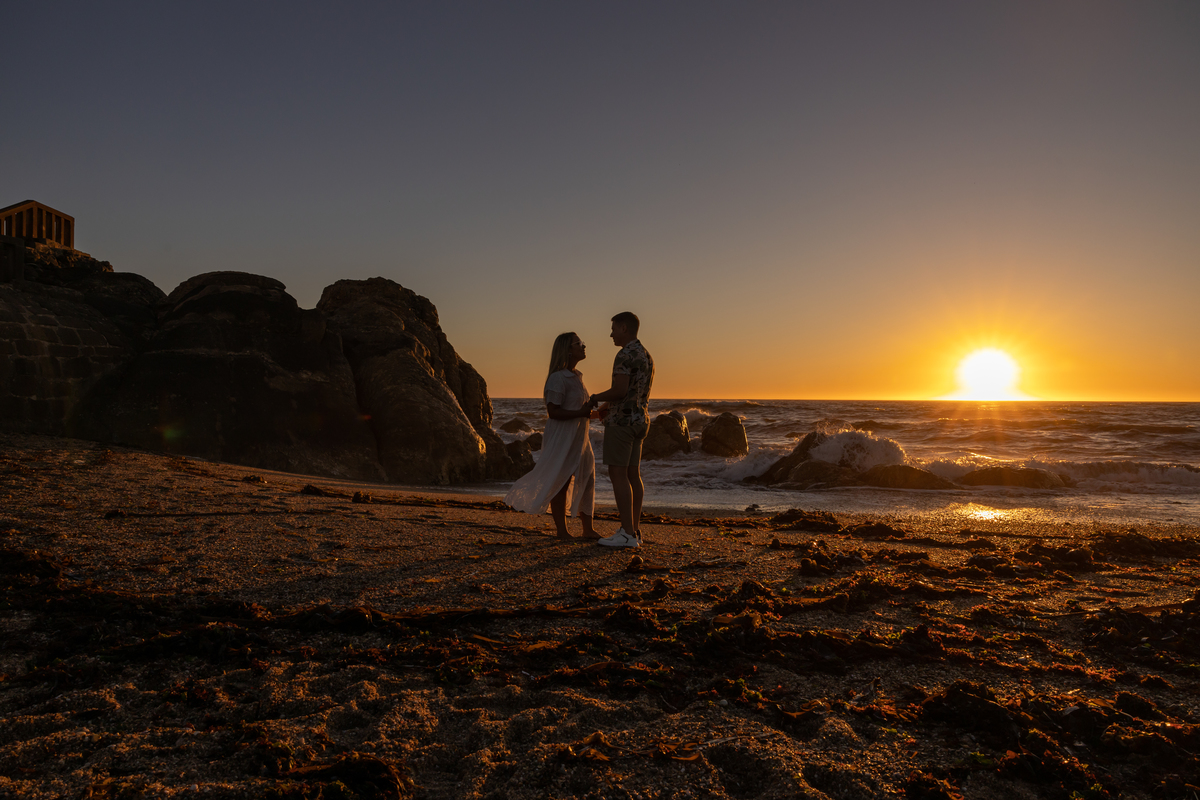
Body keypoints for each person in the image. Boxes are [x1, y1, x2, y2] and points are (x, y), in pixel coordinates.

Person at [504, 333, 599, 540]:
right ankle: (562, 531)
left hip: (580, 438)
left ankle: (588, 529)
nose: (583, 346)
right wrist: (581, 413)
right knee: (561, 480)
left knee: (587, 478)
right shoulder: (557, 378)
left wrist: (598, 414)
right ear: (567, 349)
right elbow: (553, 411)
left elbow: (579, 410)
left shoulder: (577, 376)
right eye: (578, 344)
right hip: (562, 437)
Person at [589, 312, 654, 548]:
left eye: (614, 329)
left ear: (624, 328)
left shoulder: (625, 354)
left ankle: (627, 533)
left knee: (618, 475)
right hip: (640, 419)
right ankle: (634, 530)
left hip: (622, 423)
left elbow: (620, 390)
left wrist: (596, 398)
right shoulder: (646, 354)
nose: (611, 334)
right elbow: (634, 391)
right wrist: (607, 405)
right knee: (632, 475)